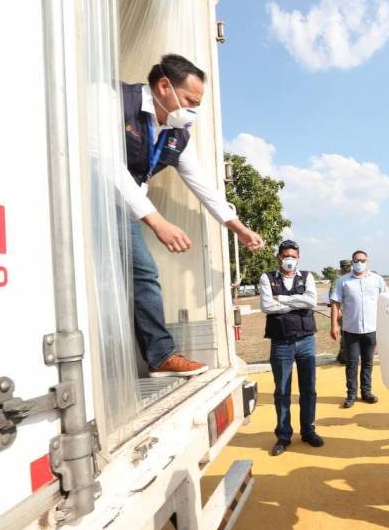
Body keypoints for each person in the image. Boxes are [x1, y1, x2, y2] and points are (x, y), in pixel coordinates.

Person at [118, 54, 263, 377]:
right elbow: (106, 165)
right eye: (189, 101)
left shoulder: (176, 134)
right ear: (164, 86)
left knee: (143, 275)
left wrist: (238, 228)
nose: (192, 111)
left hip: (127, 207)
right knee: (139, 275)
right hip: (97, 200)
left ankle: (160, 356)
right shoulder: (116, 101)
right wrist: (156, 221)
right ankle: (156, 355)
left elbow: (203, 185)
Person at [259, 240, 324, 456]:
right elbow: (267, 306)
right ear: (279, 257)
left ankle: (308, 431)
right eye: (286, 256)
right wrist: (297, 301)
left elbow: (311, 301)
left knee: (309, 390)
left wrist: (283, 300)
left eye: (293, 256)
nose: (289, 260)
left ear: (299, 257)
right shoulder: (266, 278)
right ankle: (283, 437)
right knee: (282, 391)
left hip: (306, 341)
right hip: (281, 343)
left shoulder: (307, 277)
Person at [330, 250, 389, 408]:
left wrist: (386, 327)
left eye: (362, 260)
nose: (359, 263)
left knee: (368, 363)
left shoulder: (377, 280)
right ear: (352, 261)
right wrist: (334, 325)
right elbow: (335, 303)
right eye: (356, 260)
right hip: (351, 330)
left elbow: (386, 303)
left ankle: (366, 392)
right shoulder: (344, 281)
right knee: (352, 363)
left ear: (367, 261)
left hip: (371, 329)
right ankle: (351, 395)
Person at [328, 259, 353, 364]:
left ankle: (343, 356)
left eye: (348, 266)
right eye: (345, 266)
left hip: (350, 312)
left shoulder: (351, 278)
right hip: (342, 312)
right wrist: (337, 312)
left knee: (348, 334)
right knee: (346, 334)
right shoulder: (338, 279)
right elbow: (333, 297)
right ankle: (344, 357)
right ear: (342, 267)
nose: (347, 268)